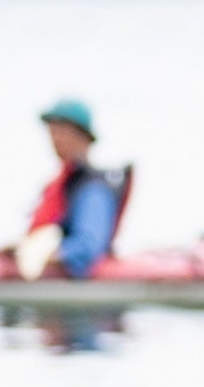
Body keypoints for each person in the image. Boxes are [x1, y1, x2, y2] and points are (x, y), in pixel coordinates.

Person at [19, 99, 127, 280]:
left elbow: (87, 246)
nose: (55, 138)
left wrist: (46, 255)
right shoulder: (62, 185)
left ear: (83, 136)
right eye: (52, 131)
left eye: (62, 130)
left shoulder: (93, 189)